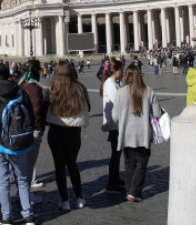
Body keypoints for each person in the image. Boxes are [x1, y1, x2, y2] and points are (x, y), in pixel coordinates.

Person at [0, 62, 36, 225]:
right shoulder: (20, 91)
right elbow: (30, 115)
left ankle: (7, 217)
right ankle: (28, 214)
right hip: (18, 142)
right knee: (23, 178)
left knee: (3, 180)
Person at [112, 64, 163, 202]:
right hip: (143, 135)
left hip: (126, 135)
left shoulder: (120, 93)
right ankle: (135, 192)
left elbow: (115, 117)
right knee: (141, 164)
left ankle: (129, 190)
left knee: (129, 164)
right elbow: (157, 114)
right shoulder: (149, 91)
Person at [45, 60, 90, 211]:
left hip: (56, 130)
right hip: (74, 132)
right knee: (72, 164)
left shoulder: (52, 89)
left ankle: (64, 201)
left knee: (59, 167)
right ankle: (79, 198)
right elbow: (86, 108)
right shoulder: (79, 89)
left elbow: (46, 109)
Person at [19, 58, 46, 193]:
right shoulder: (34, 88)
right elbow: (37, 110)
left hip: (22, 128)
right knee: (29, 163)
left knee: (24, 163)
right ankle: (25, 198)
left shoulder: (22, 86)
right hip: (33, 128)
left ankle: (23, 194)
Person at [100, 58, 126, 193]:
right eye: (122, 70)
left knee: (116, 153)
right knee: (115, 155)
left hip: (116, 123)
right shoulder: (110, 84)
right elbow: (118, 102)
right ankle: (112, 183)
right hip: (114, 123)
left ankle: (115, 178)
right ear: (117, 70)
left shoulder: (113, 83)